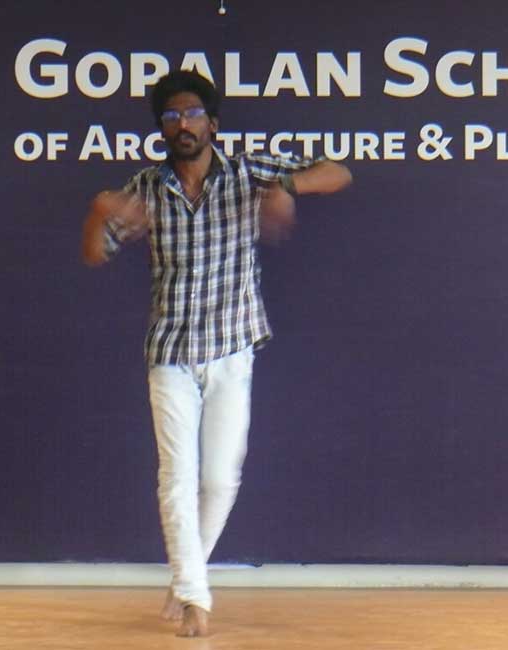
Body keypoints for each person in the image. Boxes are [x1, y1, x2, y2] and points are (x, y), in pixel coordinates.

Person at [82, 70, 352, 637]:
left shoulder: (248, 174)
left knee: (223, 479)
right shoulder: (146, 187)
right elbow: (96, 254)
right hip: (171, 353)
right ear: (162, 129)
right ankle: (195, 596)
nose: (182, 124)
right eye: (171, 116)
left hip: (232, 349)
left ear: (213, 123)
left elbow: (338, 173)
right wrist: (99, 211)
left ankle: (188, 578)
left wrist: (288, 187)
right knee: (176, 478)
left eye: (192, 114)